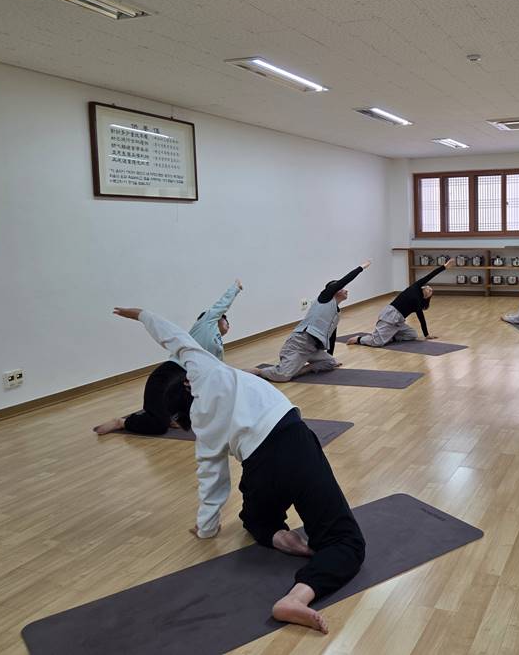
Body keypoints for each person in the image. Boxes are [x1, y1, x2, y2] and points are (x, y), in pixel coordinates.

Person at [111, 306, 365, 634]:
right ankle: (297, 597)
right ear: (187, 379)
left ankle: (276, 536)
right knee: (345, 542)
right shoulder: (206, 369)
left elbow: (212, 480)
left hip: (258, 468)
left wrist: (206, 528)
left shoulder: (203, 430)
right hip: (294, 444)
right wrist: (142, 315)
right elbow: (173, 336)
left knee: (255, 518)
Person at [93, 280, 242, 436]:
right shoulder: (206, 323)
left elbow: (219, 374)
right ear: (215, 318)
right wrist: (235, 288)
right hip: (169, 375)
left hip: (186, 383)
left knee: (196, 413)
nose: (228, 323)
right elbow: (222, 304)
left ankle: (169, 414)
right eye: (226, 319)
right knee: (158, 426)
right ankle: (122, 422)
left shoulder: (218, 348)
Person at [253, 261, 371, 382]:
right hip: (299, 344)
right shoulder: (325, 298)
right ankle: (259, 371)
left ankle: (302, 369)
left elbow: (331, 336)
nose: (346, 291)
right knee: (282, 376)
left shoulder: (336, 313)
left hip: (313, 349)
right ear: (333, 290)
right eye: (342, 288)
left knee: (331, 363)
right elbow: (343, 281)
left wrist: (330, 355)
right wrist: (361, 267)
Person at [346, 259, 452, 347]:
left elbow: (421, 318)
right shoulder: (416, 287)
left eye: (431, 291)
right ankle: (358, 339)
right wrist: (444, 267)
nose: (429, 289)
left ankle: (390, 337)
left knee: (412, 335)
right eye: (428, 287)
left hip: (399, 321)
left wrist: (426, 335)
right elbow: (430, 275)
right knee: (377, 342)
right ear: (423, 287)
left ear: (428, 297)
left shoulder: (419, 304)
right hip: (390, 315)